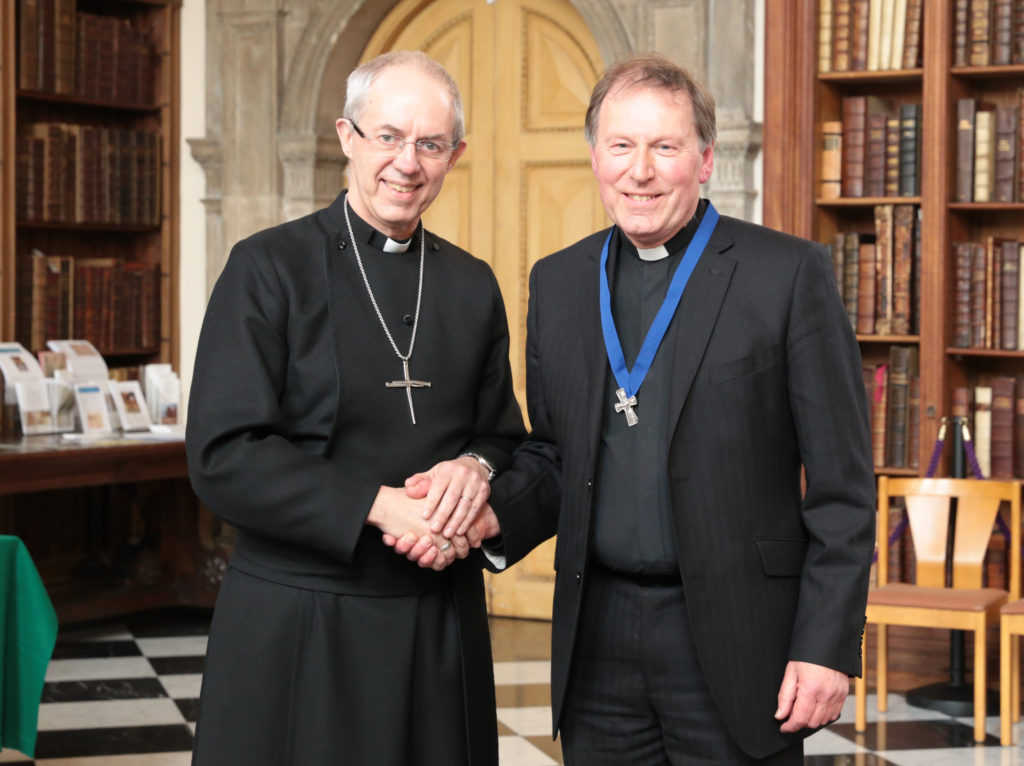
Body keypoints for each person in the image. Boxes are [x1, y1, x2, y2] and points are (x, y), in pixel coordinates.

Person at [460, 53, 875, 764]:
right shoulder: (558, 283)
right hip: (598, 639)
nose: (640, 171)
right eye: (621, 145)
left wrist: (825, 646)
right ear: (596, 158)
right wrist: (487, 515)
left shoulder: (785, 275)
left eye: (665, 147)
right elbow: (554, 455)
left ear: (705, 159)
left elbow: (843, 486)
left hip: (740, 637)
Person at [185, 50, 524, 766]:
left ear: (455, 155)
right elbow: (223, 456)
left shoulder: (471, 284)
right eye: (388, 136)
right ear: (347, 136)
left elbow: (502, 436)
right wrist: (379, 506)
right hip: (302, 616)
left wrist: (473, 469)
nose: (407, 163)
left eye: (430, 144)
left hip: (438, 615)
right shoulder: (267, 267)